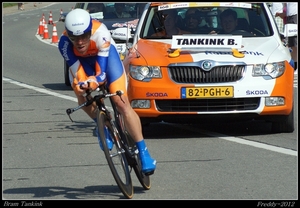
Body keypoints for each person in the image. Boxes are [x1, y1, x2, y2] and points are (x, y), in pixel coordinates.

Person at [58, 9, 156, 174]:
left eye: (84, 36)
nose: (80, 42)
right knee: (80, 91)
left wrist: (95, 81)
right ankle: (101, 124)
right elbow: (78, 73)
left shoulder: (101, 32)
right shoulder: (64, 44)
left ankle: (144, 152)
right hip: (83, 64)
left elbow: (102, 74)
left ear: (90, 32)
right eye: (75, 38)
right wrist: (84, 85)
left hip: (105, 61)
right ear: (69, 36)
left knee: (121, 103)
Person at [276, 3, 297, 70]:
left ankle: (296, 66)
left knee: (295, 42)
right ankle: (294, 65)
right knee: (291, 43)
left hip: (294, 16)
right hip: (289, 17)